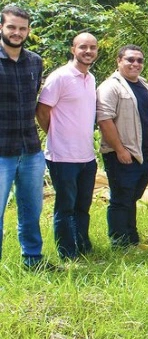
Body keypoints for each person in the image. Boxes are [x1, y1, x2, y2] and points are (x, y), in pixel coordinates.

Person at [36, 32, 99, 260]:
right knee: (65, 207)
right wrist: (57, 134)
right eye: (83, 47)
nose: (88, 51)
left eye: (93, 47)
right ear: (73, 49)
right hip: (62, 157)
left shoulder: (90, 79)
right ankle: (67, 253)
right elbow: (42, 111)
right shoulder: (60, 77)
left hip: (87, 157)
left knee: (83, 206)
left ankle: (83, 245)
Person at [0, 5, 50, 269]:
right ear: (1, 28)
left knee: (32, 210)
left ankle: (33, 259)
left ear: (28, 30)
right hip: (1, 151)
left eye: (22, 28)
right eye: (11, 27)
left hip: (30, 149)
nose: (17, 33)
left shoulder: (35, 61)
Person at [97, 45, 148, 248]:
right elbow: (104, 120)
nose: (135, 64)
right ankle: (119, 242)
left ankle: (132, 239)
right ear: (119, 61)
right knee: (121, 199)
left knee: (132, 197)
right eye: (130, 59)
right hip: (122, 154)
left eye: (139, 60)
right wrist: (120, 149)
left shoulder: (143, 85)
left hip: (144, 153)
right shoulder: (111, 87)